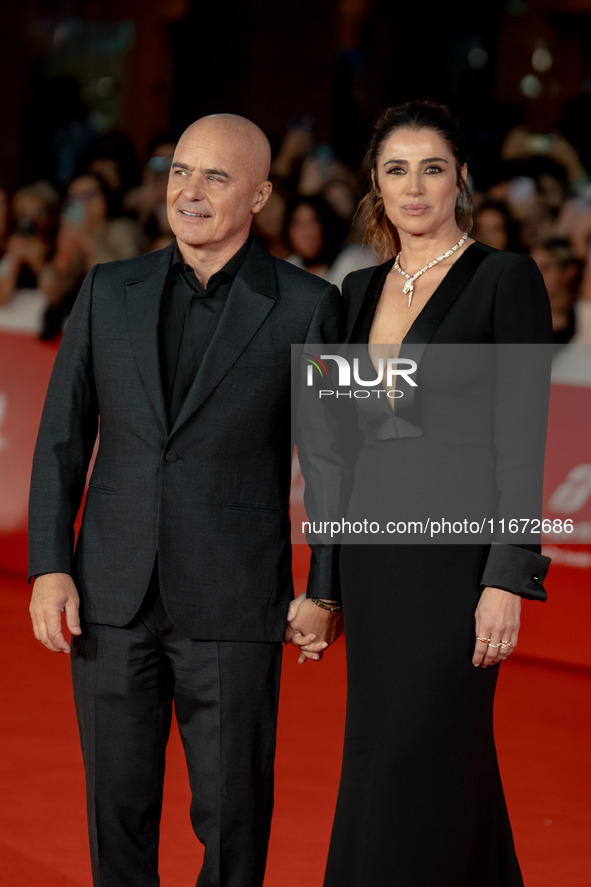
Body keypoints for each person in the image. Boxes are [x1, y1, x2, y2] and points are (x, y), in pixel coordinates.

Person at [28, 113, 343, 887]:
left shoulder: (309, 305)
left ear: (260, 194)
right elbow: (62, 439)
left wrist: (325, 587)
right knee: (116, 811)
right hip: (110, 591)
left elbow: (339, 462)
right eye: (179, 172)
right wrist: (49, 564)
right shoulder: (108, 289)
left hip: (234, 599)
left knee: (233, 817)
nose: (189, 191)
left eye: (215, 176)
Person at [292, 100, 553, 886]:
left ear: (460, 178)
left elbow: (522, 436)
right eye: (396, 169)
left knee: (419, 750)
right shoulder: (352, 290)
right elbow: (329, 454)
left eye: (431, 168)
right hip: (374, 554)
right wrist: (323, 587)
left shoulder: (505, 278)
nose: (414, 187)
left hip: (455, 555)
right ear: (374, 182)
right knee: (390, 752)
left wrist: (506, 573)